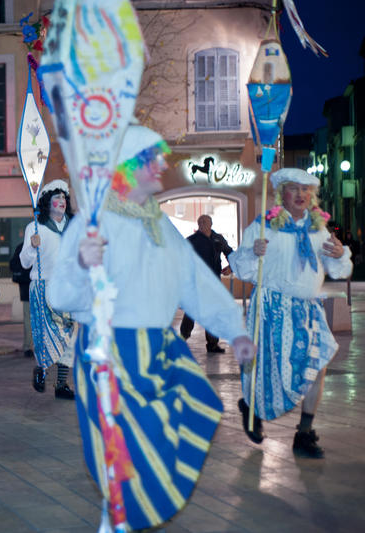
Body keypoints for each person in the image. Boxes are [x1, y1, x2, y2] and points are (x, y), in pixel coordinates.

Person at [49, 125, 256, 531]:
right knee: (125, 456)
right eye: (153, 158)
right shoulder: (93, 223)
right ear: (129, 167)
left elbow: (195, 283)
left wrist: (235, 330)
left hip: (157, 352)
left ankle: (125, 519)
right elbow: (60, 295)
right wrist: (81, 265)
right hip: (109, 356)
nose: (163, 164)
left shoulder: (161, 226)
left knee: (183, 419)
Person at [229, 168, 352, 458]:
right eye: (294, 188)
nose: (300, 194)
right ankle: (251, 408)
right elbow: (242, 270)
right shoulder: (264, 225)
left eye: (306, 189)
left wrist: (339, 255)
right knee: (265, 366)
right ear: (281, 193)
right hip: (271, 306)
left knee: (318, 364)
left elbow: (337, 270)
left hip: (308, 309)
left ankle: (304, 433)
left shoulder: (318, 228)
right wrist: (252, 252)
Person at [19, 179, 78, 399]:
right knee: (45, 335)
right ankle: (41, 370)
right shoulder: (35, 227)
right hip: (43, 286)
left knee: (68, 337)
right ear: (47, 201)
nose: (62, 201)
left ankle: (61, 384)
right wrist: (32, 247)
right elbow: (25, 262)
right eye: (57, 197)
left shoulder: (74, 227)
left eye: (64, 197)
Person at [179, 214, 234, 352]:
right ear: (198, 225)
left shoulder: (218, 239)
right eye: (200, 222)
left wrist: (231, 267)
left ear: (211, 224)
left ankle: (212, 345)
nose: (203, 224)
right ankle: (181, 340)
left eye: (205, 222)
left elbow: (229, 253)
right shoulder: (192, 240)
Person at [9, 242, 33, 358]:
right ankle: (33, 346)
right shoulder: (41, 245)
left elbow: (13, 265)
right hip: (36, 287)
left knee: (28, 318)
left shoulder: (21, 246)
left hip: (26, 288)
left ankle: (28, 346)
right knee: (38, 318)